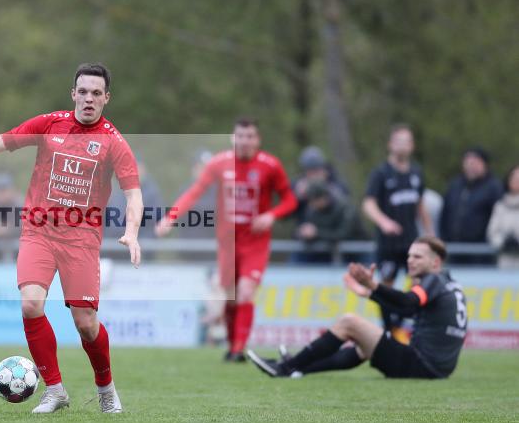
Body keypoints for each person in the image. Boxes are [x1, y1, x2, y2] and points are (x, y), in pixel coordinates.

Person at [0, 62, 142, 414]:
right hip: (39, 232)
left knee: (85, 324)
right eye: (83, 91)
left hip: (81, 240)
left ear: (106, 98)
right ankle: (55, 390)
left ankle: (106, 388)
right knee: (31, 304)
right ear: (73, 94)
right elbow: (1, 141)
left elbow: (133, 193)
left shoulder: (114, 142)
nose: (89, 99)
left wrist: (132, 233)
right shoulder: (50, 124)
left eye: (96, 93)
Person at [156, 118, 298, 362]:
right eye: (240, 136)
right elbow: (194, 192)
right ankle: (233, 345)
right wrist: (171, 217)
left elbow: (290, 200)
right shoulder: (219, 163)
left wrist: (271, 215)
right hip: (228, 243)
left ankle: (238, 350)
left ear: (257, 140)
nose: (244, 141)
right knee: (231, 295)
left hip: (255, 242)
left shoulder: (270, 165)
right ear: (234, 138)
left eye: (249, 136)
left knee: (245, 292)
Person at [248, 236, 467, 380]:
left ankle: (285, 368)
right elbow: (407, 310)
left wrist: (373, 286)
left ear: (435, 263)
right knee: (363, 347)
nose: (410, 260)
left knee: (349, 322)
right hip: (436, 369)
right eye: (409, 255)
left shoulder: (433, 280)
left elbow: (408, 302)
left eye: (417, 256)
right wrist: (370, 293)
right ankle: (297, 368)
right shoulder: (449, 284)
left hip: (422, 366)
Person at [362, 124, 434, 339]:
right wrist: (384, 222)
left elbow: (420, 206)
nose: (402, 145)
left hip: (412, 242)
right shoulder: (381, 173)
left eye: (406, 141)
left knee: (417, 284)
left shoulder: (416, 173)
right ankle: (388, 330)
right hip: (388, 243)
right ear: (390, 144)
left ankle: (400, 326)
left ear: (412, 146)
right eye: (398, 141)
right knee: (386, 288)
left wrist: (430, 233)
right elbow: (368, 203)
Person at [439, 148, 502, 263]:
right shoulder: (455, 185)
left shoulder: (494, 188)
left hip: (482, 252)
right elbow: (445, 214)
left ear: (485, 164)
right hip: (454, 249)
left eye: (474, 162)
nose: (470, 166)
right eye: (467, 162)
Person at [294, 181, 358, 263]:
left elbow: (343, 234)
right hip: (325, 254)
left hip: (358, 251)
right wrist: (303, 233)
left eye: (314, 201)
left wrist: (316, 233)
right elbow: (303, 232)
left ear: (324, 198)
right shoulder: (312, 211)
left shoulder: (344, 207)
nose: (312, 204)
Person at [487, 165, 519, 269]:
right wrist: (503, 243)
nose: (517, 181)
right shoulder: (500, 206)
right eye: (514, 178)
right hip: (505, 259)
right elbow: (492, 232)